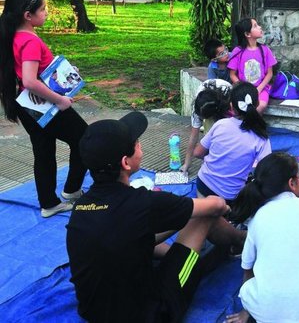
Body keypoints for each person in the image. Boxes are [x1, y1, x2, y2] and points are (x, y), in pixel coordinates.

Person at [66, 111, 246, 322]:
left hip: (93, 312)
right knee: (205, 214)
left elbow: (130, 236)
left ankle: (189, 250)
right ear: (126, 162)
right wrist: (223, 208)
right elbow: (214, 205)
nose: (140, 146)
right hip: (155, 313)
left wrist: (173, 215)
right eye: (137, 143)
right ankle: (242, 241)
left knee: (177, 218)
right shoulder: (143, 203)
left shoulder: (80, 207)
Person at [0, 0, 87, 218]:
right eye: (43, 9)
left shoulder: (14, 36)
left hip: (27, 105)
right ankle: (71, 191)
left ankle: (49, 203)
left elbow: (31, 74)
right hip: (44, 105)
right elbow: (29, 80)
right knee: (83, 138)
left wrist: (66, 72)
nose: (47, 12)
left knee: (44, 150)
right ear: (28, 16)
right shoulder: (30, 41)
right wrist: (60, 100)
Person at [225, 152, 299, 323]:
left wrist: (248, 310)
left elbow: (247, 267)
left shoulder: (257, 217)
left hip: (263, 314)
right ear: (292, 183)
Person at [193, 82, 271, 202]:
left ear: (231, 106)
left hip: (203, 186)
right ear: (258, 104)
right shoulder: (261, 138)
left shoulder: (220, 124)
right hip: (228, 197)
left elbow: (198, 153)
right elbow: (266, 172)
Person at [181, 79, 232, 176]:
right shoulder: (198, 107)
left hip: (224, 103)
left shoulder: (228, 101)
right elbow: (193, 137)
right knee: (209, 135)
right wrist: (186, 164)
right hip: (210, 104)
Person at [228, 18, 277, 114]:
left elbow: (269, 73)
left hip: (261, 89)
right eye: (255, 26)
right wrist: (244, 88)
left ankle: (254, 127)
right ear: (247, 34)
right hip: (242, 88)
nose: (260, 27)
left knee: (260, 106)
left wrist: (258, 89)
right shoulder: (238, 51)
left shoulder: (265, 50)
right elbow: (232, 74)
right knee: (233, 108)